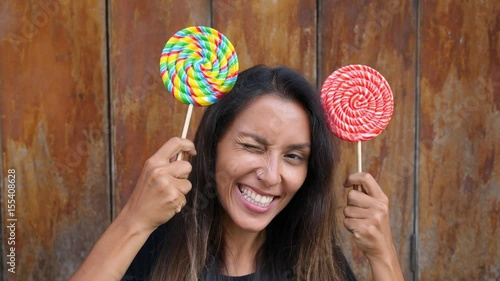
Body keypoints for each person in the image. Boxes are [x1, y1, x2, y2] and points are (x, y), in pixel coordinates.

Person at [70, 65, 404, 281]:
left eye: (293, 156)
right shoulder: (154, 250)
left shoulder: (315, 264)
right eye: (253, 147)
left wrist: (383, 256)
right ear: (214, 145)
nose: (271, 176)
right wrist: (133, 222)